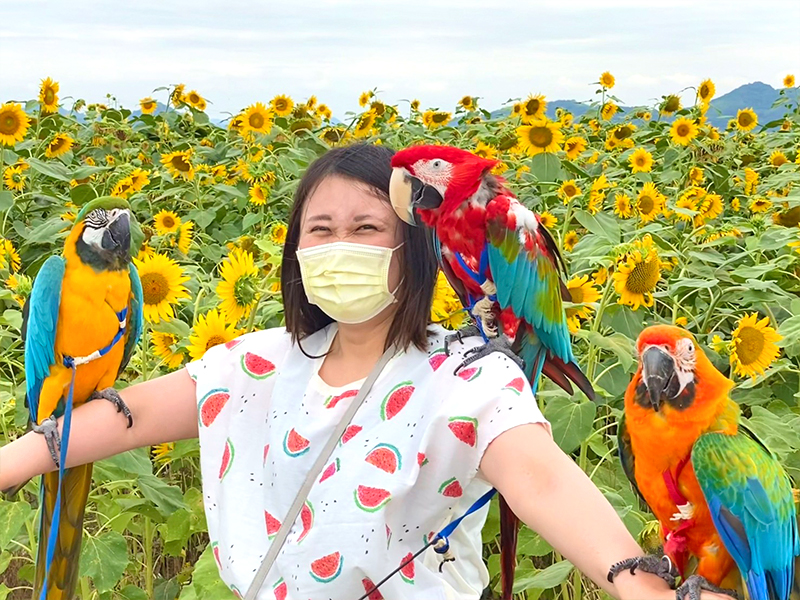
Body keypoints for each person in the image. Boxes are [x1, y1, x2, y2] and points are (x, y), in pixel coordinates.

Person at [0, 144, 726, 600]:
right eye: (320, 231)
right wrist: (15, 459)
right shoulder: (260, 362)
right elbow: (129, 413)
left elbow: (540, 475)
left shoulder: (466, 375)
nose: (338, 246)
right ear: (295, 253)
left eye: (367, 228)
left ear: (413, 248)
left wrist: (640, 584)